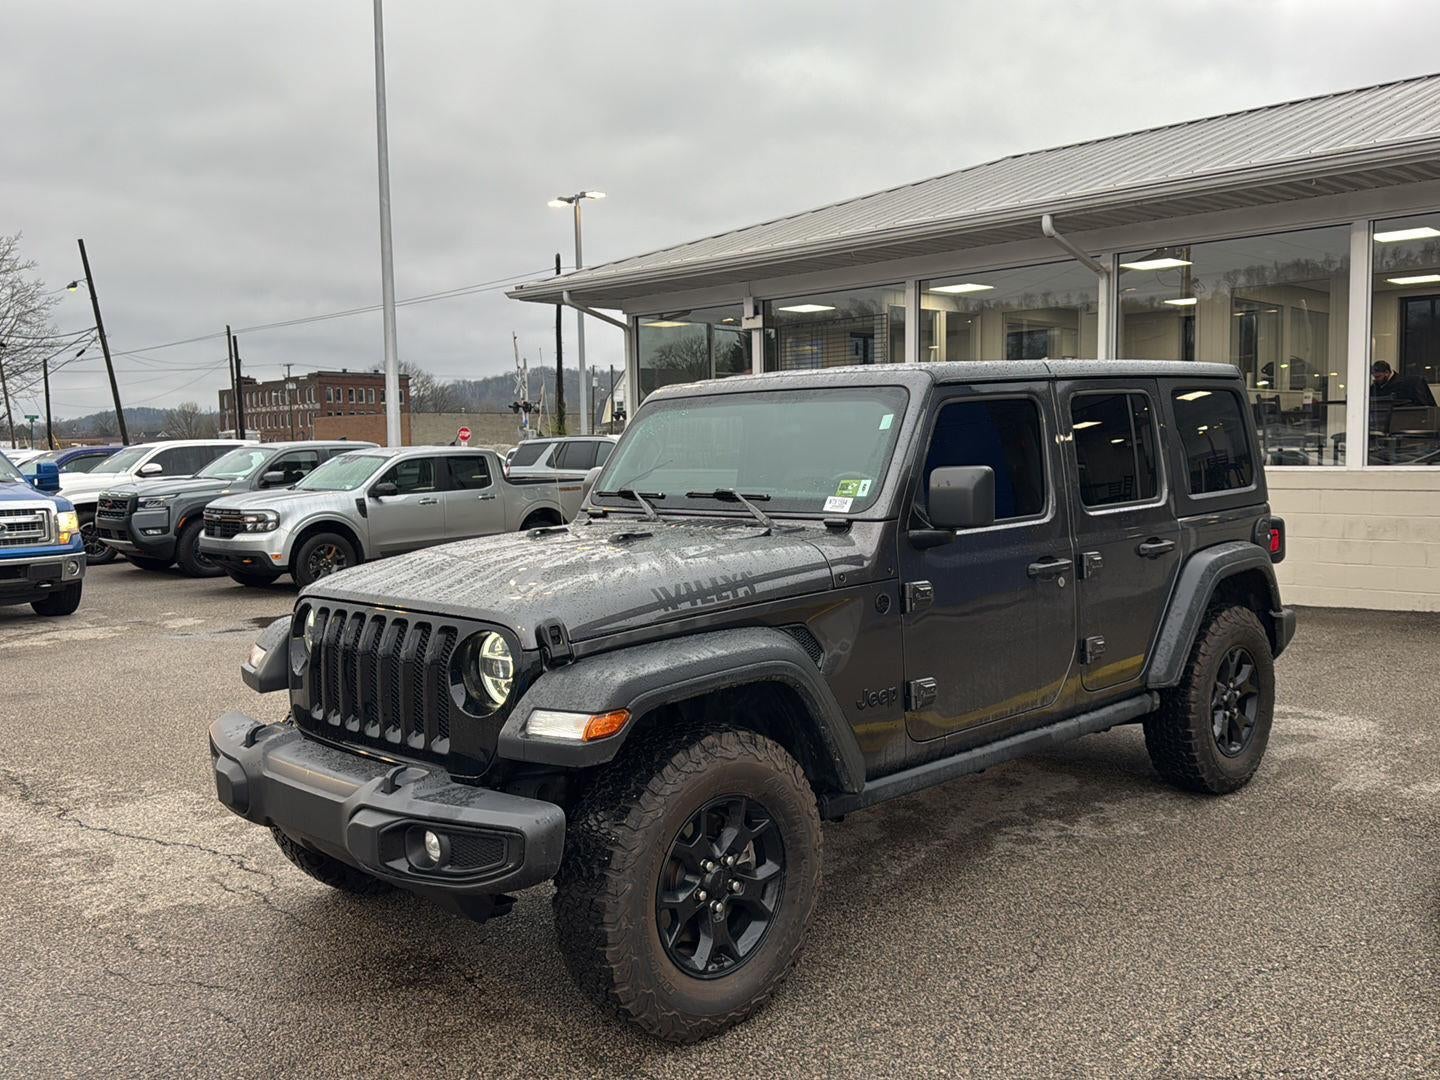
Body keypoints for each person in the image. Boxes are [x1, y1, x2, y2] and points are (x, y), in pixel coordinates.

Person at [1371, 360, 1437, 406]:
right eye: (1374, 377)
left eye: (1378, 377)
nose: (1376, 379)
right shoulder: (1375, 387)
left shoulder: (1406, 384)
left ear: (1387, 372)